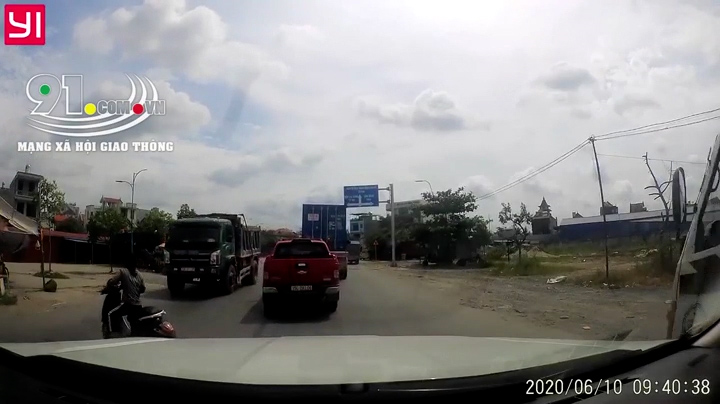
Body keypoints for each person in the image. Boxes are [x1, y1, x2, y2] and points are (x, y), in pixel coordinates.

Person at [105, 254, 146, 336]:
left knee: (111, 314)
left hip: (128, 304)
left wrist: (109, 285)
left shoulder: (123, 272)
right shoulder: (140, 275)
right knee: (134, 322)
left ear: (127, 263)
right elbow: (143, 289)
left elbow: (112, 281)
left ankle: (114, 334)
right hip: (138, 305)